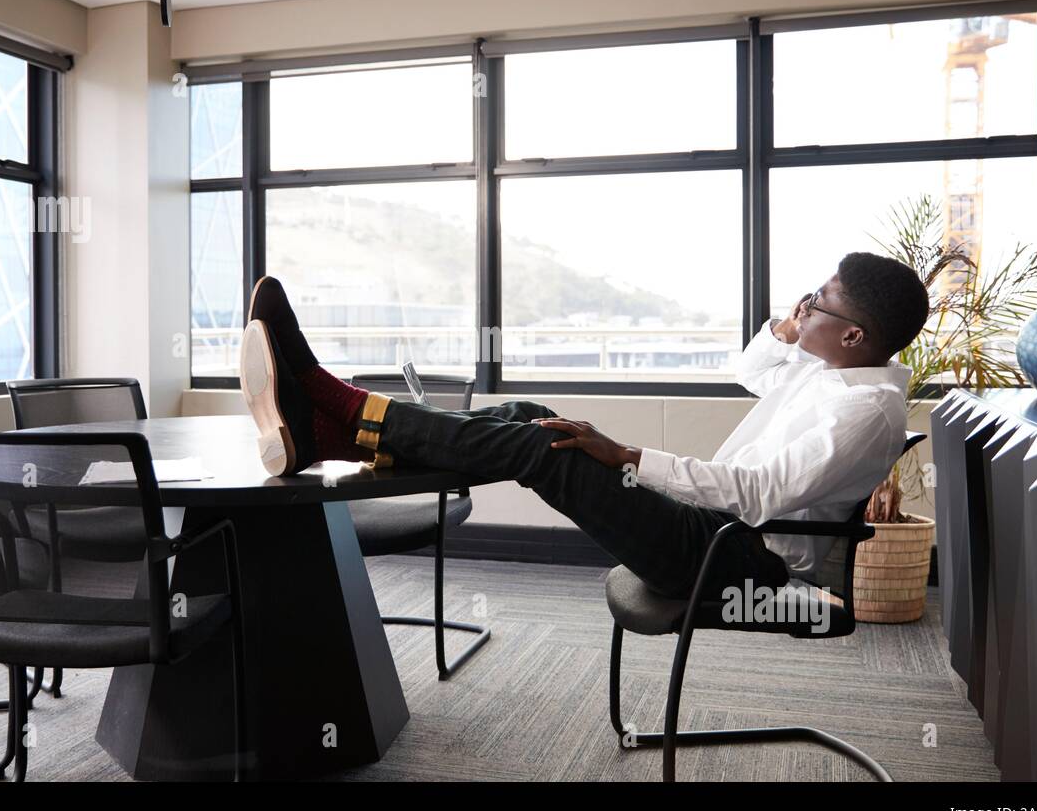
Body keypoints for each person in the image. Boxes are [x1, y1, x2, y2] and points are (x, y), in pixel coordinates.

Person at [237, 252, 927, 600]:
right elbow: (751, 370)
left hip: (741, 563)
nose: (807, 302)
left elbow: (757, 494)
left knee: (552, 448)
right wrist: (789, 327)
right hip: (709, 528)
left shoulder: (864, 410)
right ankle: (330, 433)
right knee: (534, 418)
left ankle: (336, 405)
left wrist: (625, 453)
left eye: (821, 300)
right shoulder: (831, 372)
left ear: (855, 334)